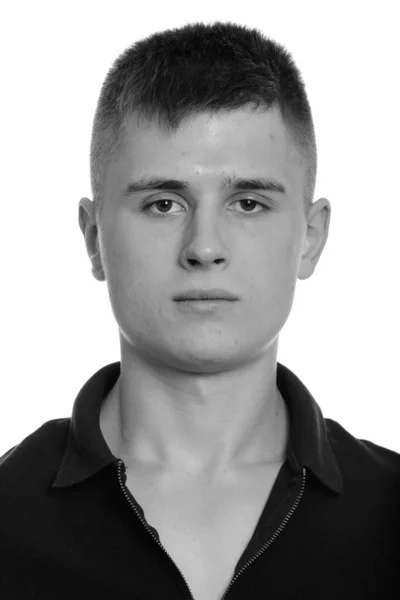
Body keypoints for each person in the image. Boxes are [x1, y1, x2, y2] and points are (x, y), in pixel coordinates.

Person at [1, 20, 399, 600]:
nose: (204, 247)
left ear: (310, 237)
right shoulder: (7, 514)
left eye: (248, 202)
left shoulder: (390, 516)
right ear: (94, 238)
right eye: (163, 203)